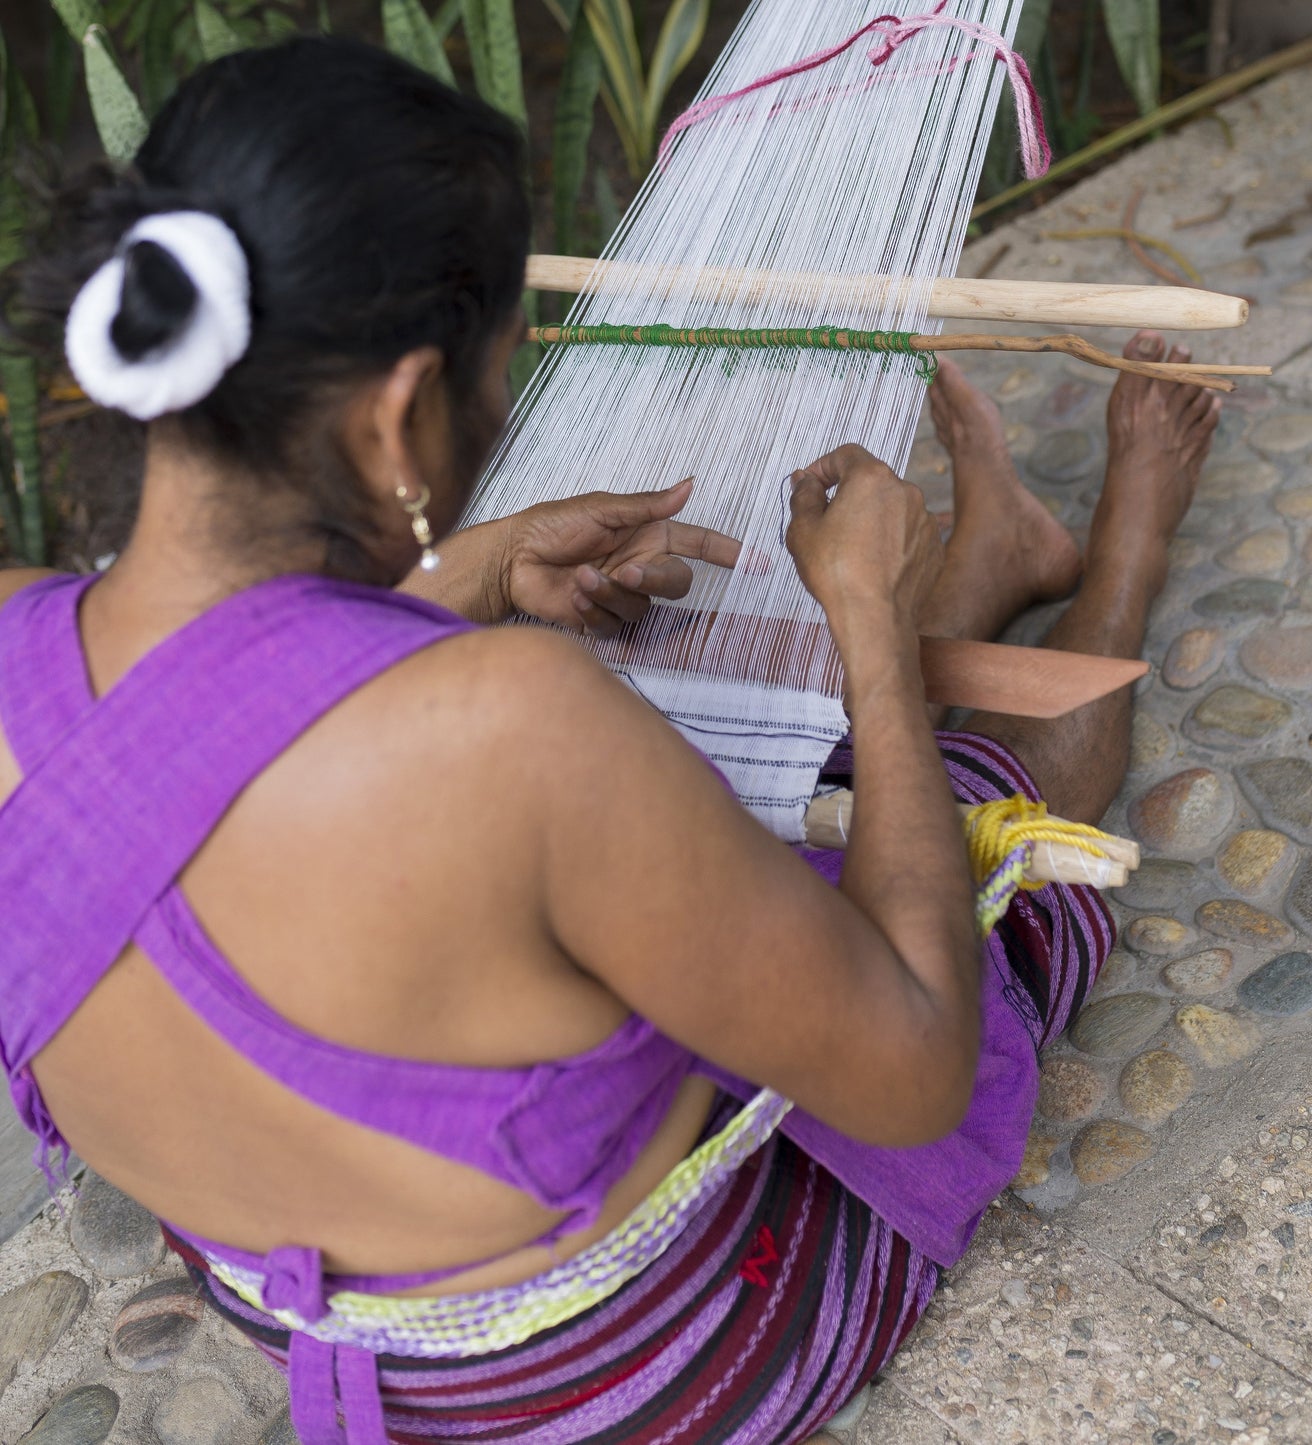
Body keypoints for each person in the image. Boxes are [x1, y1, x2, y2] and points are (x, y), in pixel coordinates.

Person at [0, 37, 1220, 1445]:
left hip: (304, 1323)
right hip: (624, 1369)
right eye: (494, 381)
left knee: (732, 804)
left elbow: (208, 746)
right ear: (400, 412)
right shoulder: (520, 728)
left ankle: (991, 561)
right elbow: (910, 1068)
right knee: (945, 834)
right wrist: (874, 642)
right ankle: (1113, 555)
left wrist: (460, 572)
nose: (496, 417)